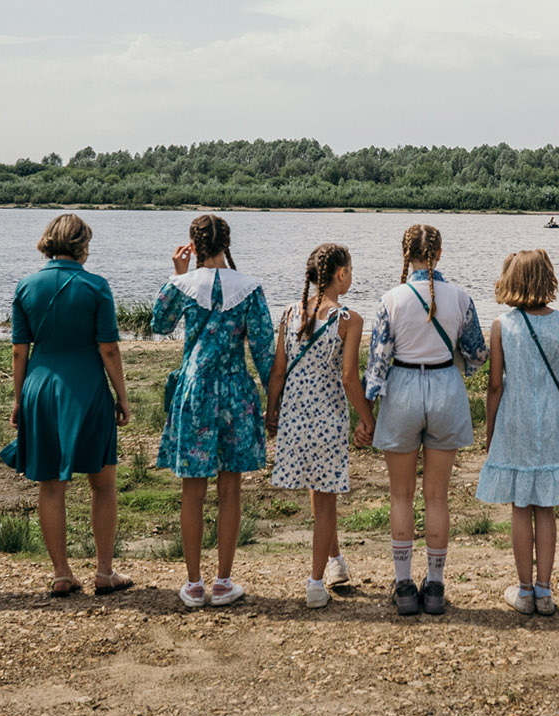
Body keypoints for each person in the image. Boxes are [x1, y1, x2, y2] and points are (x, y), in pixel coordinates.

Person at [1, 214, 131, 598]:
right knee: (103, 484)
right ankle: (105, 572)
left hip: (39, 388)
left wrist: (18, 398)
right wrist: (122, 396)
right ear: (82, 245)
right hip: (86, 387)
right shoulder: (96, 286)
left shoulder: (26, 286)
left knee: (51, 485)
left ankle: (61, 572)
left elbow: (19, 351)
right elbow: (108, 348)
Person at [151, 214, 276, 608]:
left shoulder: (182, 286)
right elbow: (264, 352)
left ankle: (192, 583)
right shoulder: (250, 289)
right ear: (227, 243)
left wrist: (176, 272)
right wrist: (274, 404)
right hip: (236, 391)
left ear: (193, 243)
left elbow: (159, 323)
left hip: (195, 392)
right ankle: (223, 581)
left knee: (193, 487)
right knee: (230, 488)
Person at [365, 224, 488, 616]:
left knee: (400, 495)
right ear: (440, 253)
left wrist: (368, 408)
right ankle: (434, 586)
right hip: (444, 389)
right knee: (437, 495)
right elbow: (478, 353)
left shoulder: (391, 299)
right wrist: (460, 363)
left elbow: (377, 363)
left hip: (402, 389)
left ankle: (403, 585)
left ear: (406, 255)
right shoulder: (461, 298)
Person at [475, 249, 559, 617]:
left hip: (515, 420)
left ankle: (523, 591)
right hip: (551, 421)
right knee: (546, 507)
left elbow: (494, 387)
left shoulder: (502, 326)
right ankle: (545, 590)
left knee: (520, 507)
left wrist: (490, 432)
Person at [266, 242, 372, 609]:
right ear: (340, 275)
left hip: (295, 418)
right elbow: (349, 379)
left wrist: (271, 411)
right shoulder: (348, 320)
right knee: (326, 502)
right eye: (351, 270)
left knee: (318, 493)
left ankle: (335, 562)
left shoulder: (288, 313)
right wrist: (367, 418)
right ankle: (315, 583)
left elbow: (278, 371)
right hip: (327, 419)